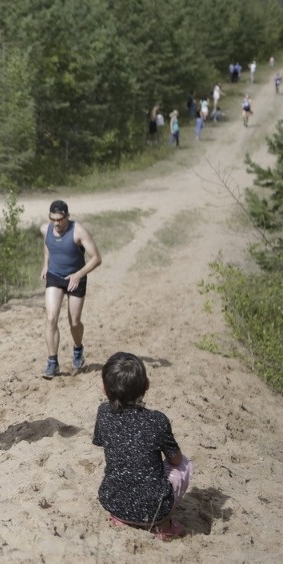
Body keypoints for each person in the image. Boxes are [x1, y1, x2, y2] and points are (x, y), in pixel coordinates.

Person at [93, 352, 193, 541]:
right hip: (156, 508)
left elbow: (101, 442)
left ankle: (123, 519)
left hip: (113, 501)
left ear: (105, 389)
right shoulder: (157, 420)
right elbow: (176, 460)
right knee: (185, 465)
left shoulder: (103, 413)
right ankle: (164, 526)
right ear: (147, 385)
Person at [40, 200, 102, 378]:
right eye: (53, 219)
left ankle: (78, 349)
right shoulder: (45, 229)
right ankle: (52, 362)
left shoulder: (78, 231)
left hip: (76, 278)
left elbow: (96, 258)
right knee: (51, 318)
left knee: (74, 322)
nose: (56, 224)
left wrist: (78, 275)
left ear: (67, 216)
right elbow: (47, 246)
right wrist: (46, 264)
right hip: (55, 276)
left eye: (60, 219)